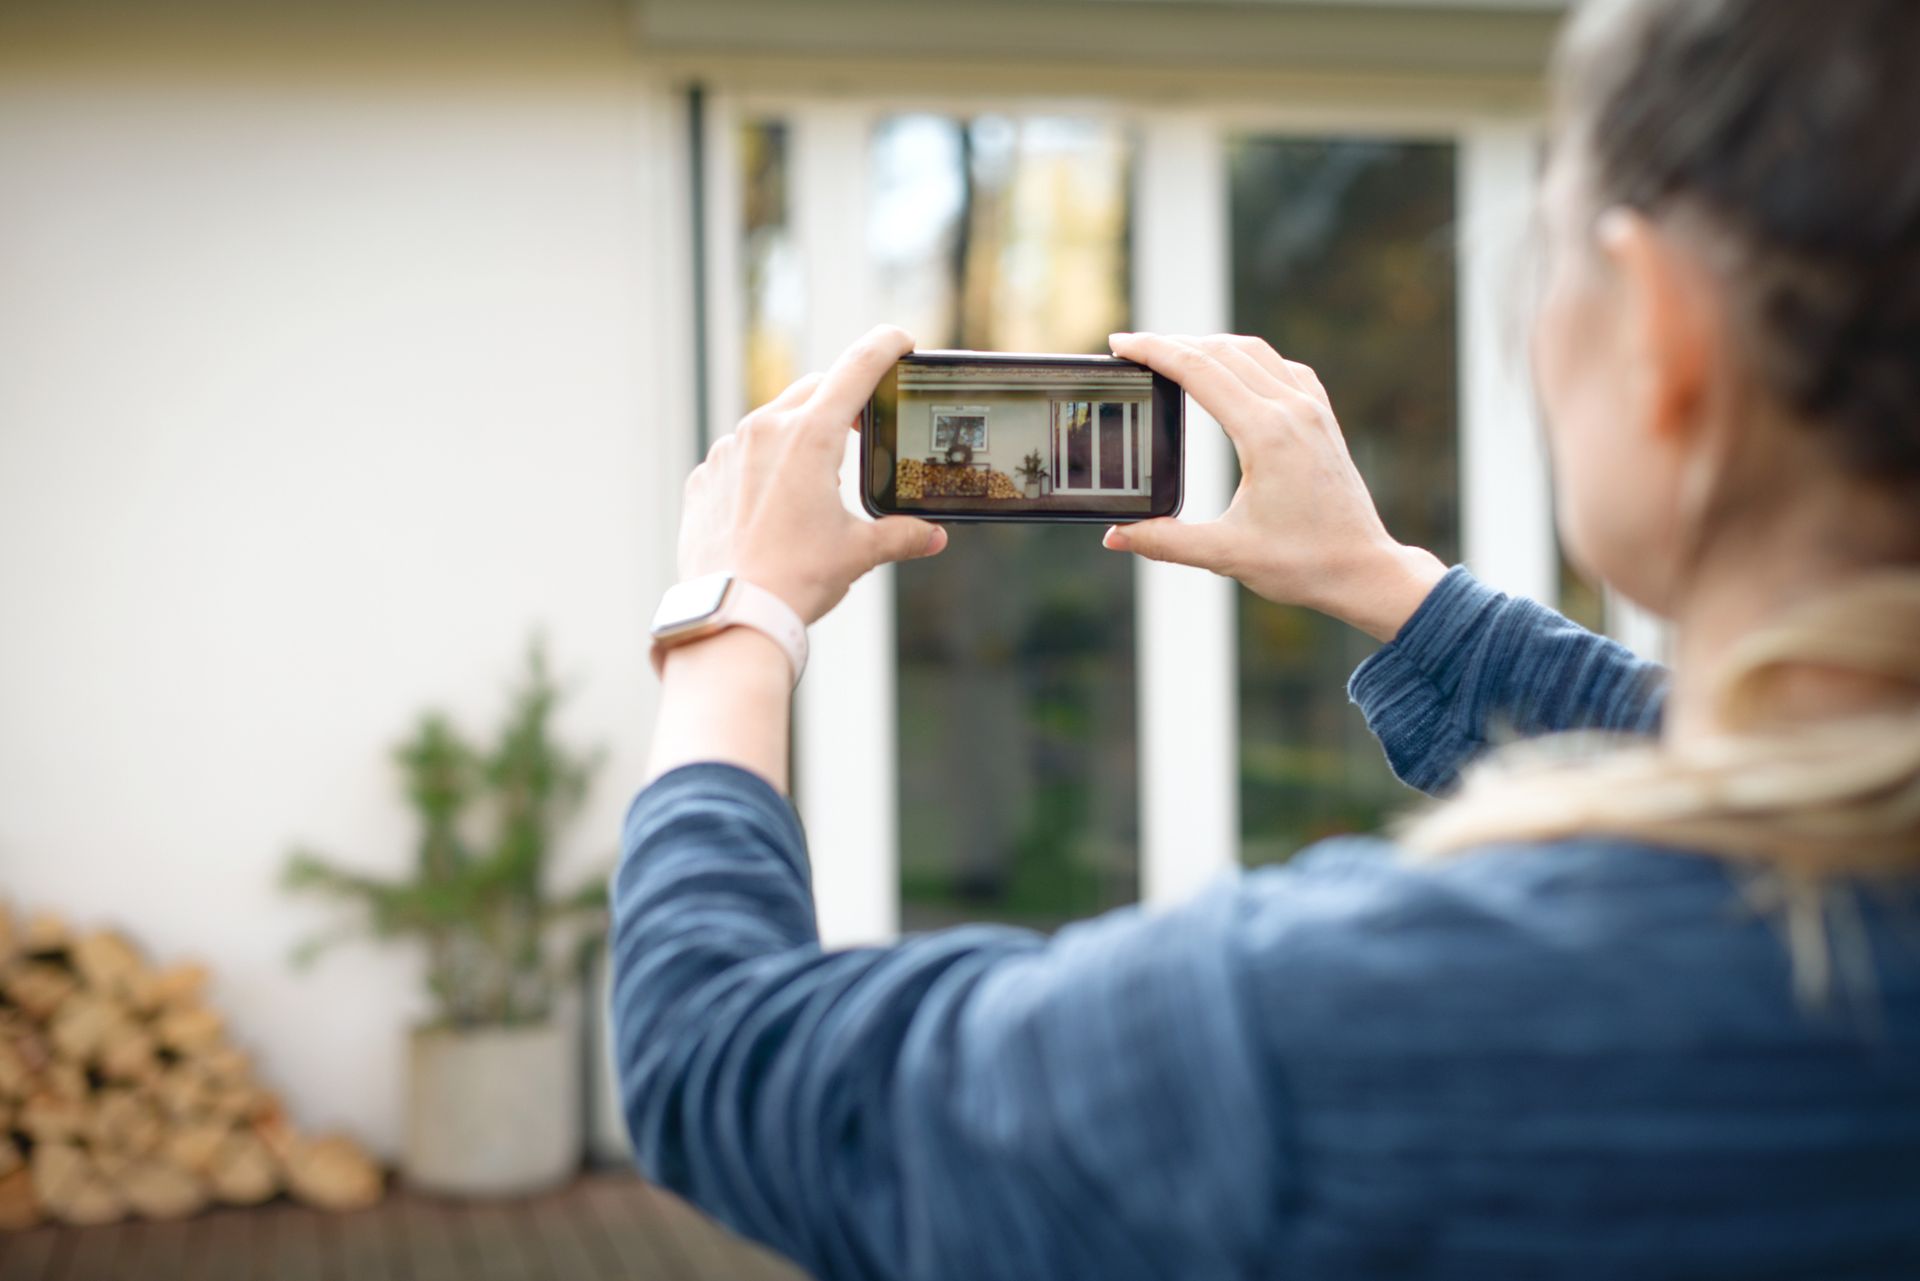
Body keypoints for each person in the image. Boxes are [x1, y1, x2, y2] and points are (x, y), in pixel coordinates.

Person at [610, 0, 1920, 1275]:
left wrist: (734, 618)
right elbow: (1717, 747)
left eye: (1546, 252)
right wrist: (1384, 583)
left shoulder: (1339, 1021)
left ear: (1661, 337)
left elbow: (724, 1058)